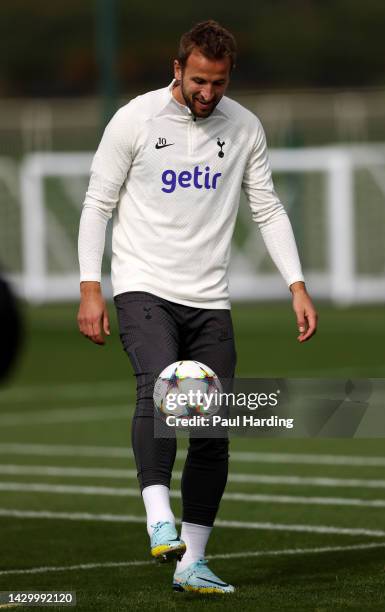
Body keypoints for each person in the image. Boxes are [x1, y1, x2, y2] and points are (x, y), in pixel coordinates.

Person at [77, 19, 317, 595]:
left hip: (210, 297)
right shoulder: (134, 119)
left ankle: (194, 563)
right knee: (161, 388)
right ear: (177, 69)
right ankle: (158, 514)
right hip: (143, 285)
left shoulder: (245, 128)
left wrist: (297, 284)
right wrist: (91, 286)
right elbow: (97, 204)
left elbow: (267, 208)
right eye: (199, 81)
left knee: (212, 430)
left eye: (220, 83)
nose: (209, 94)